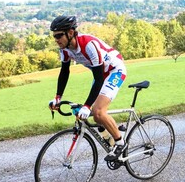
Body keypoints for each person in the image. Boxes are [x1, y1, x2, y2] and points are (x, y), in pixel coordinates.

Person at [47, 15, 128, 161]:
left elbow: (98, 79)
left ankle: (120, 142)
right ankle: (113, 131)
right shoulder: (65, 49)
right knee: (95, 114)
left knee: (97, 111)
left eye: (59, 35)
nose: (56, 40)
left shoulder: (88, 45)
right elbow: (64, 72)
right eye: (54, 36)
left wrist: (87, 105)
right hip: (101, 74)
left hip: (115, 70)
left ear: (70, 33)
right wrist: (58, 97)